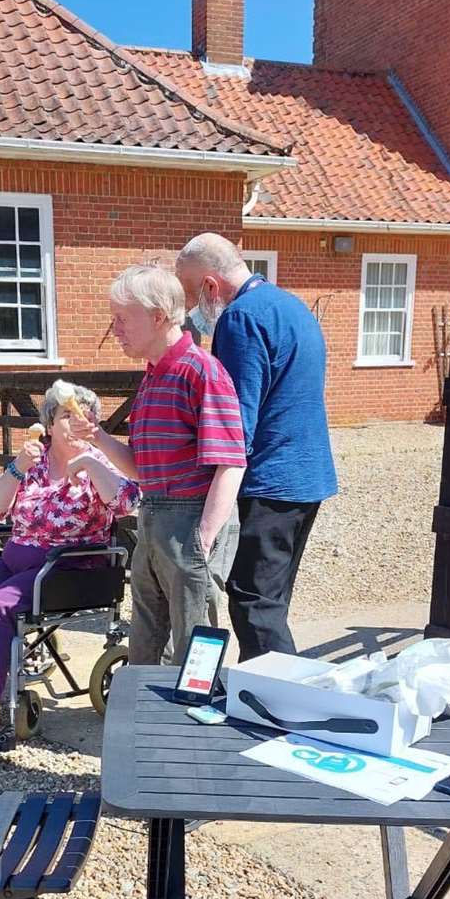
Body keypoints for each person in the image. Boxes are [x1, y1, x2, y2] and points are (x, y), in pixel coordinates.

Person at [0, 381, 139, 746]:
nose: (80, 421)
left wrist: (89, 463)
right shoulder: (33, 463)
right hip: (15, 563)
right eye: (69, 414)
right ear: (49, 424)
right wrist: (17, 467)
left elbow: (128, 502)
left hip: (69, 570)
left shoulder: (99, 463)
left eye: (87, 415)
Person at [70, 264, 246, 666]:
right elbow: (140, 469)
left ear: (157, 315)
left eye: (121, 318)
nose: (114, 328)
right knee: (146, 638)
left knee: (196, 643)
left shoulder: (202, 371)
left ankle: (194, 722)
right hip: (153, 515)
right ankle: (145, 718)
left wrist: (202, 538)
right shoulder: (153, 378)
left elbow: (231, 463)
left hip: (191, 518)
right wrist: (96, 436)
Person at [176, 233, 337, 660]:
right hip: (308, 476)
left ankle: (275, 708)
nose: (194, 309)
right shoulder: (290, 305)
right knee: (271, 599)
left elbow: (234, 423)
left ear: (211, 285)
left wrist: (200, 488)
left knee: (253, 601)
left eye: (193, 293)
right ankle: (274, 696)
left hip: (273, 480)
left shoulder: (240, 318)